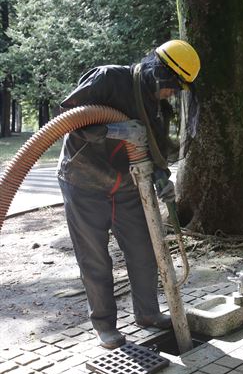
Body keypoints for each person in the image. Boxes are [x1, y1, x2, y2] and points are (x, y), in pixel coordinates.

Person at [56, 40, 201, 349]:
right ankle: (105, 325)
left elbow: (155, 149)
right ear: (159, 72)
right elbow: (69, 117)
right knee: (95, 258)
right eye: (174, 85)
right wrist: (115, 129)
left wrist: (163, 177)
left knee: (144, 250)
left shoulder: (156, 103)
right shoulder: (108, 78)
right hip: (84, 181)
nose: (174, 93)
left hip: (127, 185)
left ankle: (148, 314)